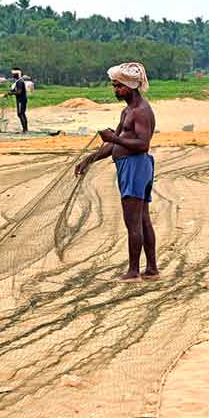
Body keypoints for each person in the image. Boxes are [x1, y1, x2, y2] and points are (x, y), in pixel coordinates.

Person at [75, 62, 159, 282]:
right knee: (142, 219)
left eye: (118, 86)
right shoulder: (127, 111)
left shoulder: (140, 111)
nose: (115, 90)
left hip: (136, 166)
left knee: (134, 221)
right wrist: (88, 160)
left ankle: (134, 272)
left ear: (130, 87)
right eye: (114, 86)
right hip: (133, 166)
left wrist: (113, 137)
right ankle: (151, 269)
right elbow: (115, 145)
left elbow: (142, 144)